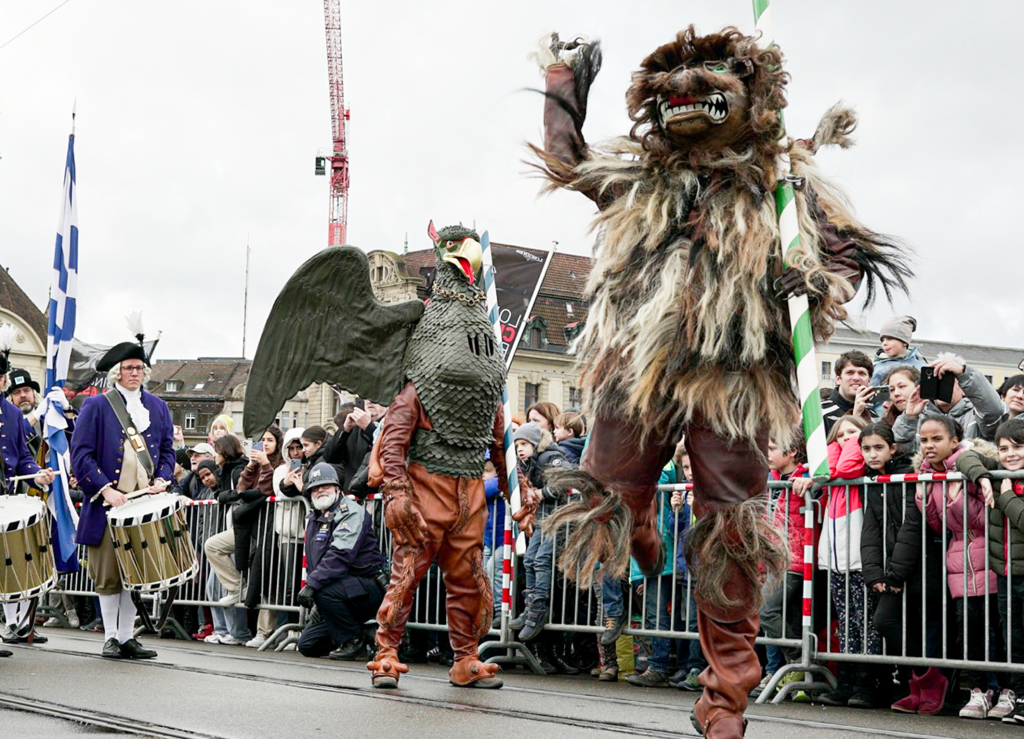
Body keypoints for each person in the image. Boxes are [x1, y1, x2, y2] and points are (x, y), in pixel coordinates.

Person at [70, 335, 173, 660]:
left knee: (136, 573)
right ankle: (111, 637)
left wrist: (162, 478)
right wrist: (105, 489)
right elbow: (81, 454)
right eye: (128, 368)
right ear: (117, 372)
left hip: (143, 503)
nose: (134, 373)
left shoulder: (158, 407)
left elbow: (167, 450)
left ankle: (128, 637)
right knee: (109, 574)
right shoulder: (97, 405)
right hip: (108, 502)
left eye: (139, 368)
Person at [848, 423, 944, 714]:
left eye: (878, 447)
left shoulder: (907, 475)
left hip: (918, 566)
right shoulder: (872, 481)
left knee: (917, 626)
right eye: (866, 449)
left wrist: (895, 575)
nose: (872, 454)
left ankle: (930, 683)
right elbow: (870, 530)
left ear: (892, 448)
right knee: (886, 622)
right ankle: (922, 682)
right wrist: (874, 574)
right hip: (891, 571)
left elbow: (912, 527)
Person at [915, 413, 1001, 719]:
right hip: (958, 560)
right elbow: (940, 526)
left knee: (997, 629)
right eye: (924, 440)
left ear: (954, 441)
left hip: (988, 555)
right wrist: (925, 501)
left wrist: (956, 498)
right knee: (969, 629)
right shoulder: (928, 476)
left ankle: (1003, 689)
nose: (929, 445)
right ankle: (978, 690)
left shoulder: (970, 466)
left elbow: (987, 518)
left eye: (937, 439)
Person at [956, 417, 1024, 723]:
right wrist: (983, 477)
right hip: (1006, 573)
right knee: (1014, 639)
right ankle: (1020, 697)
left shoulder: (1008, 486)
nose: (1010, 454)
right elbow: (966, 457)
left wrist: (1007, 498)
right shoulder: (998, 473)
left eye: (1018, 447)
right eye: (1004, 448)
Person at [815, 414, 880, 708]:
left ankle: (867, 682)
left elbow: (846, 466)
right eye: (840, 435)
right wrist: (835, 444)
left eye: (852, 433)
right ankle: (847, 680)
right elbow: (829, 467)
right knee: (846, 621)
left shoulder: (857, 467)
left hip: (859, 560)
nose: (846, 438)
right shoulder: (835, 475)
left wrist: (855, 439)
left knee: (864, 621)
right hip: (836, 560)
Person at [296, 463, 386, 659]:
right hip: (337, 589)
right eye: (315, 488)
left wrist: (313, 586)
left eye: (325, 486)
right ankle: (364, 634)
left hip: (366, 587)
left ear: (337, 488)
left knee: (324, 592)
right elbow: (315, 563)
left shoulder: (351, 512)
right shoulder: (315, 518)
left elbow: (340, 555)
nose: (320, 491)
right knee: (308, 646)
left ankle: (353, 641)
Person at [753, 428, 810, 701]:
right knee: (789, 618)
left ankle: (798, 659)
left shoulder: (805, 477)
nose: (767, 454)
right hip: (773, 560)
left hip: (794, 561)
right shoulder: (771, 480)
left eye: (772, 449)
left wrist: (813, 481)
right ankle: (797, 670)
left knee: (766, 609)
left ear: (792, 452)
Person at [1, 359, 55, 646]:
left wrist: (37, 474)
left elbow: (22, 456)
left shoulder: (11, 414)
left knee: (11, 561)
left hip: (8, 498)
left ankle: (15, 624)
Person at [508, 421, 571, 643]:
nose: (520, 449)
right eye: (517, 445)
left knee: (542, 558)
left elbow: (566, 479)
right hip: (544, 518)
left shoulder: (549, 457)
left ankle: (539, 608)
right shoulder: (527, 464)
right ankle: (530, 605)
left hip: (560, 517)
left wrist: (542, 493)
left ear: (536, 444)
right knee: (529, 559)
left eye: (524, 444)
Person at [894, 354, 1009, 454]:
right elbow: (904, 451)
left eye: (947, 382)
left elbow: (993, 411)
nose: (942, 387)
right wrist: (909, 418)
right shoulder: (920, 417)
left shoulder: (976, 414)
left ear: (963, 388)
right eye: (937, 381)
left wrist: (963, 373)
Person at [203, 434, 252, 645]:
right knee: (213, 586)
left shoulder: (238, 469)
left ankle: (238, 632)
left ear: (226, 451)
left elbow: (242, 492)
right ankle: (223, 630)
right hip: (231, 527)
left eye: (217, 451)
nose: (214, 455)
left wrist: (222, 496)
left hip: (240, 528)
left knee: (226, 586)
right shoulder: (226, 470)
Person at [821, 351, 878, 435]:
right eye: (850, 373)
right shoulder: (821, 412)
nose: (856, 378)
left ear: (869, 381)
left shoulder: (874, 417)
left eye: (862, 373)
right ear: (838, 379)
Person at [871, 316, 927, 391]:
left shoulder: (921, 366)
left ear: (904, 342)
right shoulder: (876, 367)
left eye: (889, 339)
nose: (884, 343)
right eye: (882, 340)